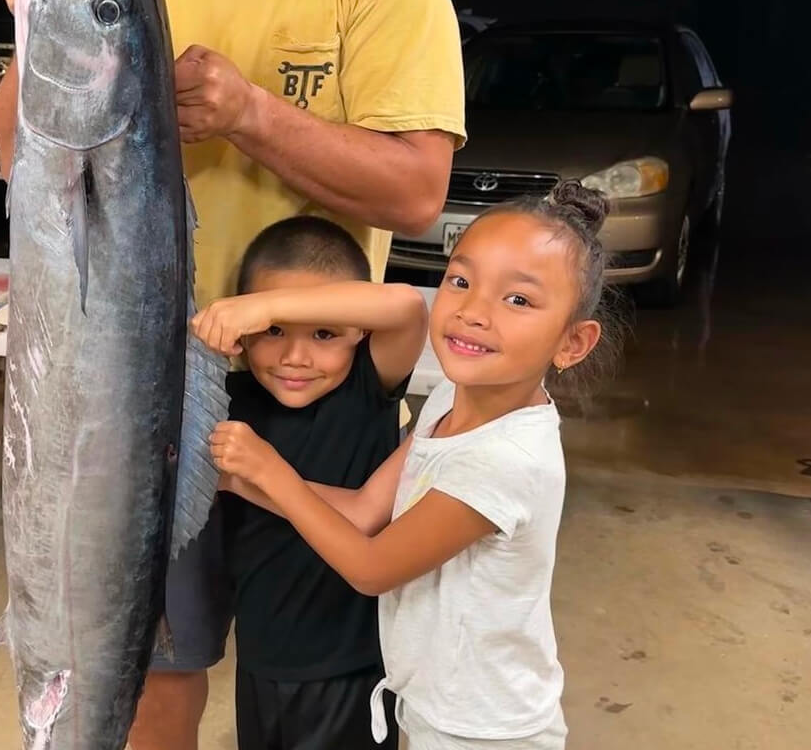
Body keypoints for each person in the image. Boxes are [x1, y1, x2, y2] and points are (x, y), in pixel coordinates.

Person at [0, 0, 466, 746]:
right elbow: (25, 150)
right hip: (134, 391)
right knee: (153, 666)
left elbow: (418, 191)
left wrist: (252, 115)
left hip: (319, 387)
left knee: (317, 679)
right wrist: (37, 27)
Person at [208, 181, 623, 750]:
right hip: (432, 706)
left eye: (518, 300)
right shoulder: (455, 400)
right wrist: (239, 477)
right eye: (461, 282)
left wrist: (269, 466)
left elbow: (372, 567)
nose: (474, 312)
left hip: (484, 731)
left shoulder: (503, 461)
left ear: (573, 343)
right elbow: (362, 511)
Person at [189, 215, 429, 750]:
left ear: (359, 333)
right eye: (274, 333)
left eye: (324, 334)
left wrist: (269, 308)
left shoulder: (367, 389)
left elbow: (409, 308)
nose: (296, 358)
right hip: (260, 663)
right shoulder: (229, 399)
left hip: (349, 670)